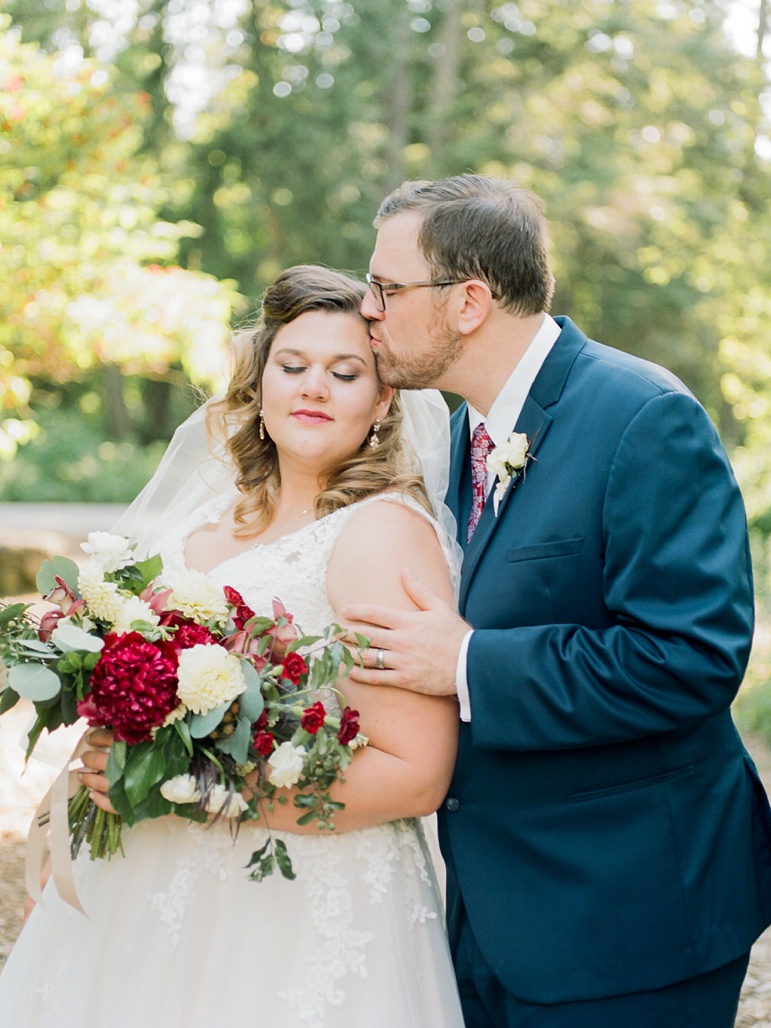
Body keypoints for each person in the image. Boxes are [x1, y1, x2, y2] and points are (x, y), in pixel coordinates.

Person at [343, 174, 771, 1027]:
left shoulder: (642, 416)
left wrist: (464, 661)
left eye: (386, 288)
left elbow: (690, 659)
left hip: (630, 918)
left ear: (468, 301)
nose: (367, 309)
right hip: (492, 911)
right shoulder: (457, 428)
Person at [0, 265, 466, 1027]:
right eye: (293, 365)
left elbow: (415, 775)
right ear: (260, 384)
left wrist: (196, 794)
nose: (313, 387)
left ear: (384, 399)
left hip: (290, 901)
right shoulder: (211, 522)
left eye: (344, 372)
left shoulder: (380, 533)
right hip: (145, 881)